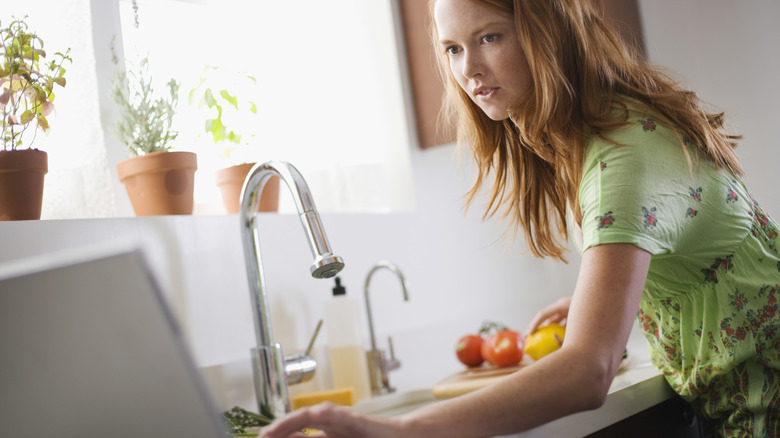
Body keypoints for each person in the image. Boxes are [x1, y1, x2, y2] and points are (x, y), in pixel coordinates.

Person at [260, 0, 780, 436]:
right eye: (453, 49)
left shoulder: (622, 156)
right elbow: (696, 252)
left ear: (549, 32)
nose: (469, 69)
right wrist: (595, 299)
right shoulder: (606, 129)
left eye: (489, 37)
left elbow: (587, 372)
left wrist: (406, 429)